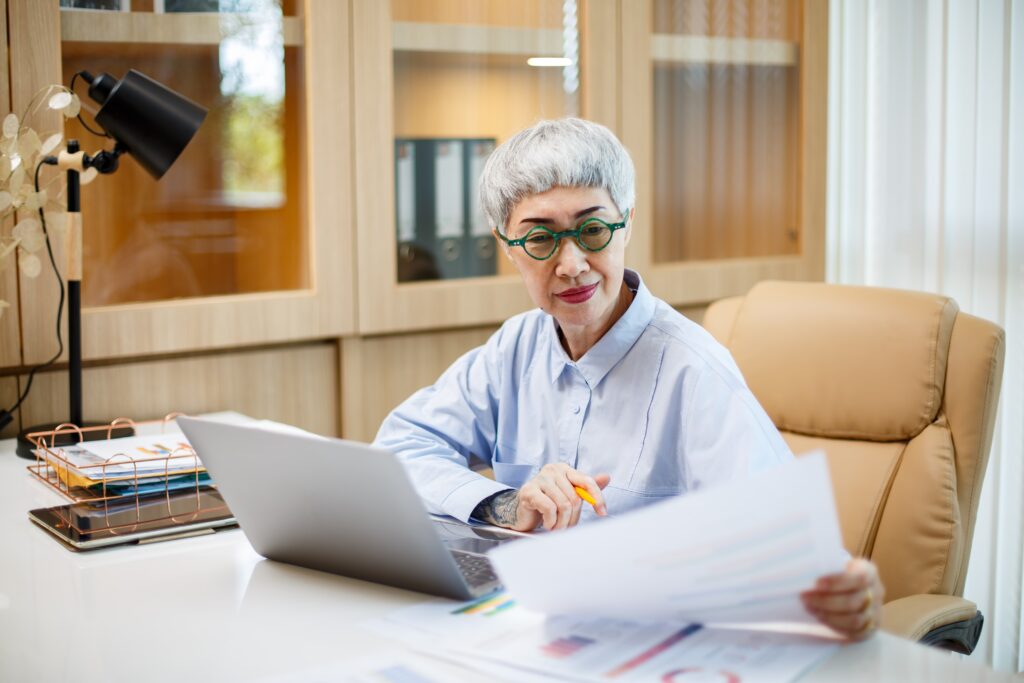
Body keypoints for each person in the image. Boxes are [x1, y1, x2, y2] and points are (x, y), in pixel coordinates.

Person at [374, 118, 884, 639]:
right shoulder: (515, 348)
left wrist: (843, 593)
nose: (572, 265)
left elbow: (793, 550)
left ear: (628, 223)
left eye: (592, 230)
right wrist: (508, 503)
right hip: (528, 634)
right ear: (507, 247)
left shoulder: (694, 371)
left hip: (649, 644)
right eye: (540, 239)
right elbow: (399, 447)